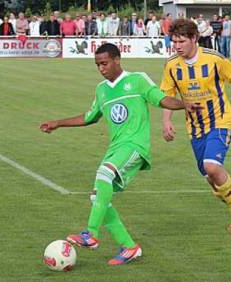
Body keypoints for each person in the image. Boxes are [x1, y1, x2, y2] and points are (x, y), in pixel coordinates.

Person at [40, 43, 202, 265]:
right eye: (97, 65)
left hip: (135, 146)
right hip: (115, 149)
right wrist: (58, 123)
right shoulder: (101, 89)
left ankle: (91, 233)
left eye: (104, 63)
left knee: (104, 175)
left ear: (117, 60)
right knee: (99, 198)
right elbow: (89, 117)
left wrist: (184, 105)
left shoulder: (137, 80)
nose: (101, 68)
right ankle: (129, 247)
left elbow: (162, 99)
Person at [160, 19, 231, 235]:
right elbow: (168, 95)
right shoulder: (171, 65)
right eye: (174, 41)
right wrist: (167, 121)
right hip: (195, 128)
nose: (177, 46)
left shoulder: (214, 59)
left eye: (182, 41)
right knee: (210, 177)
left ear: (194, 39)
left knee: (212, 167)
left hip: (220, 119)